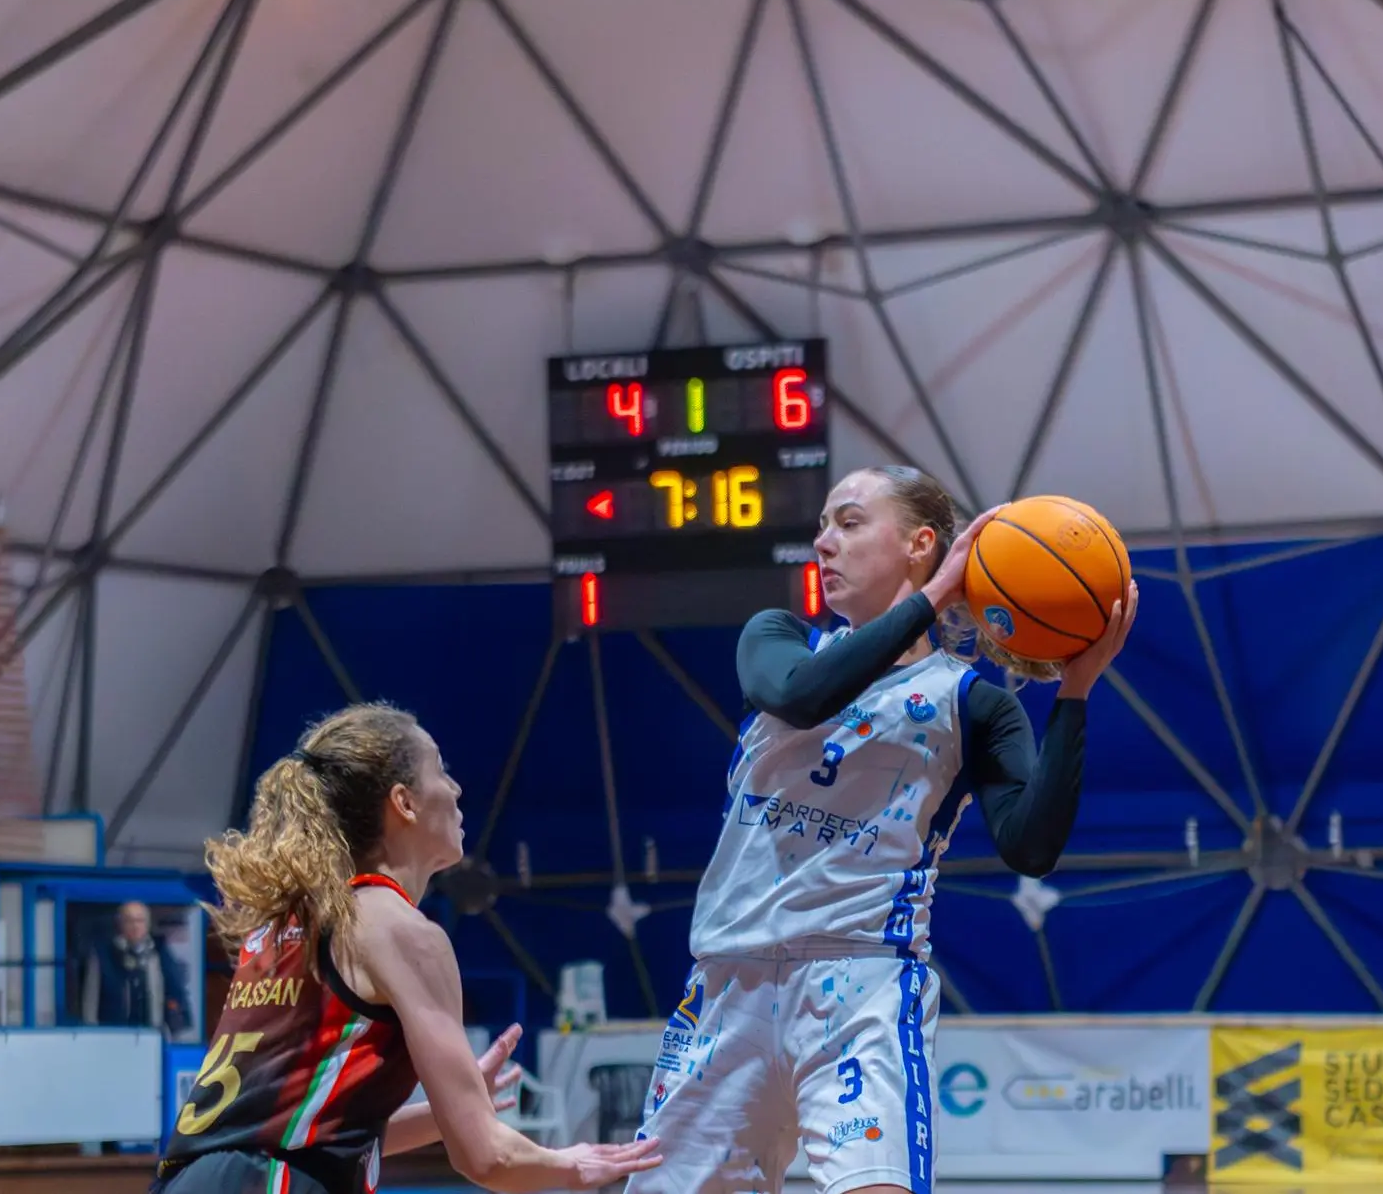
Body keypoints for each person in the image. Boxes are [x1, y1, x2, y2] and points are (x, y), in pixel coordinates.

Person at [628, 466, 1138, 1194]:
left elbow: (1032, 846)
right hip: (727, 978)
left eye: (848, 521)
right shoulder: (781, 640)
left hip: (860, 977)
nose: (822, 541)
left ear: (920, 542)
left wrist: (1077, 690)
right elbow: (804, 698)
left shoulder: (974, 703)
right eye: (822, 527)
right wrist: (937, 595)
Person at [153, 703, 661, 1194]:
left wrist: (452, 1109)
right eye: (441, 769)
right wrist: (572, 1164)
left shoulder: (293, 922)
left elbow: (308, 1134)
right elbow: (486, 1158)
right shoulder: (395, 927)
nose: (457, 788)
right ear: (404, 803)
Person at [80, 900, 192, 1038]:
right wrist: (90, 1032)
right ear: (120, 924)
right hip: (112, 1035)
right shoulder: (103, 954)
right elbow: (91, 999)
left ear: (147, 924)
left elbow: (175, 992)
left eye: (140, 921)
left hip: (151, 1035)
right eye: (129, 921)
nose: (135, 926)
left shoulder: (159, 953)